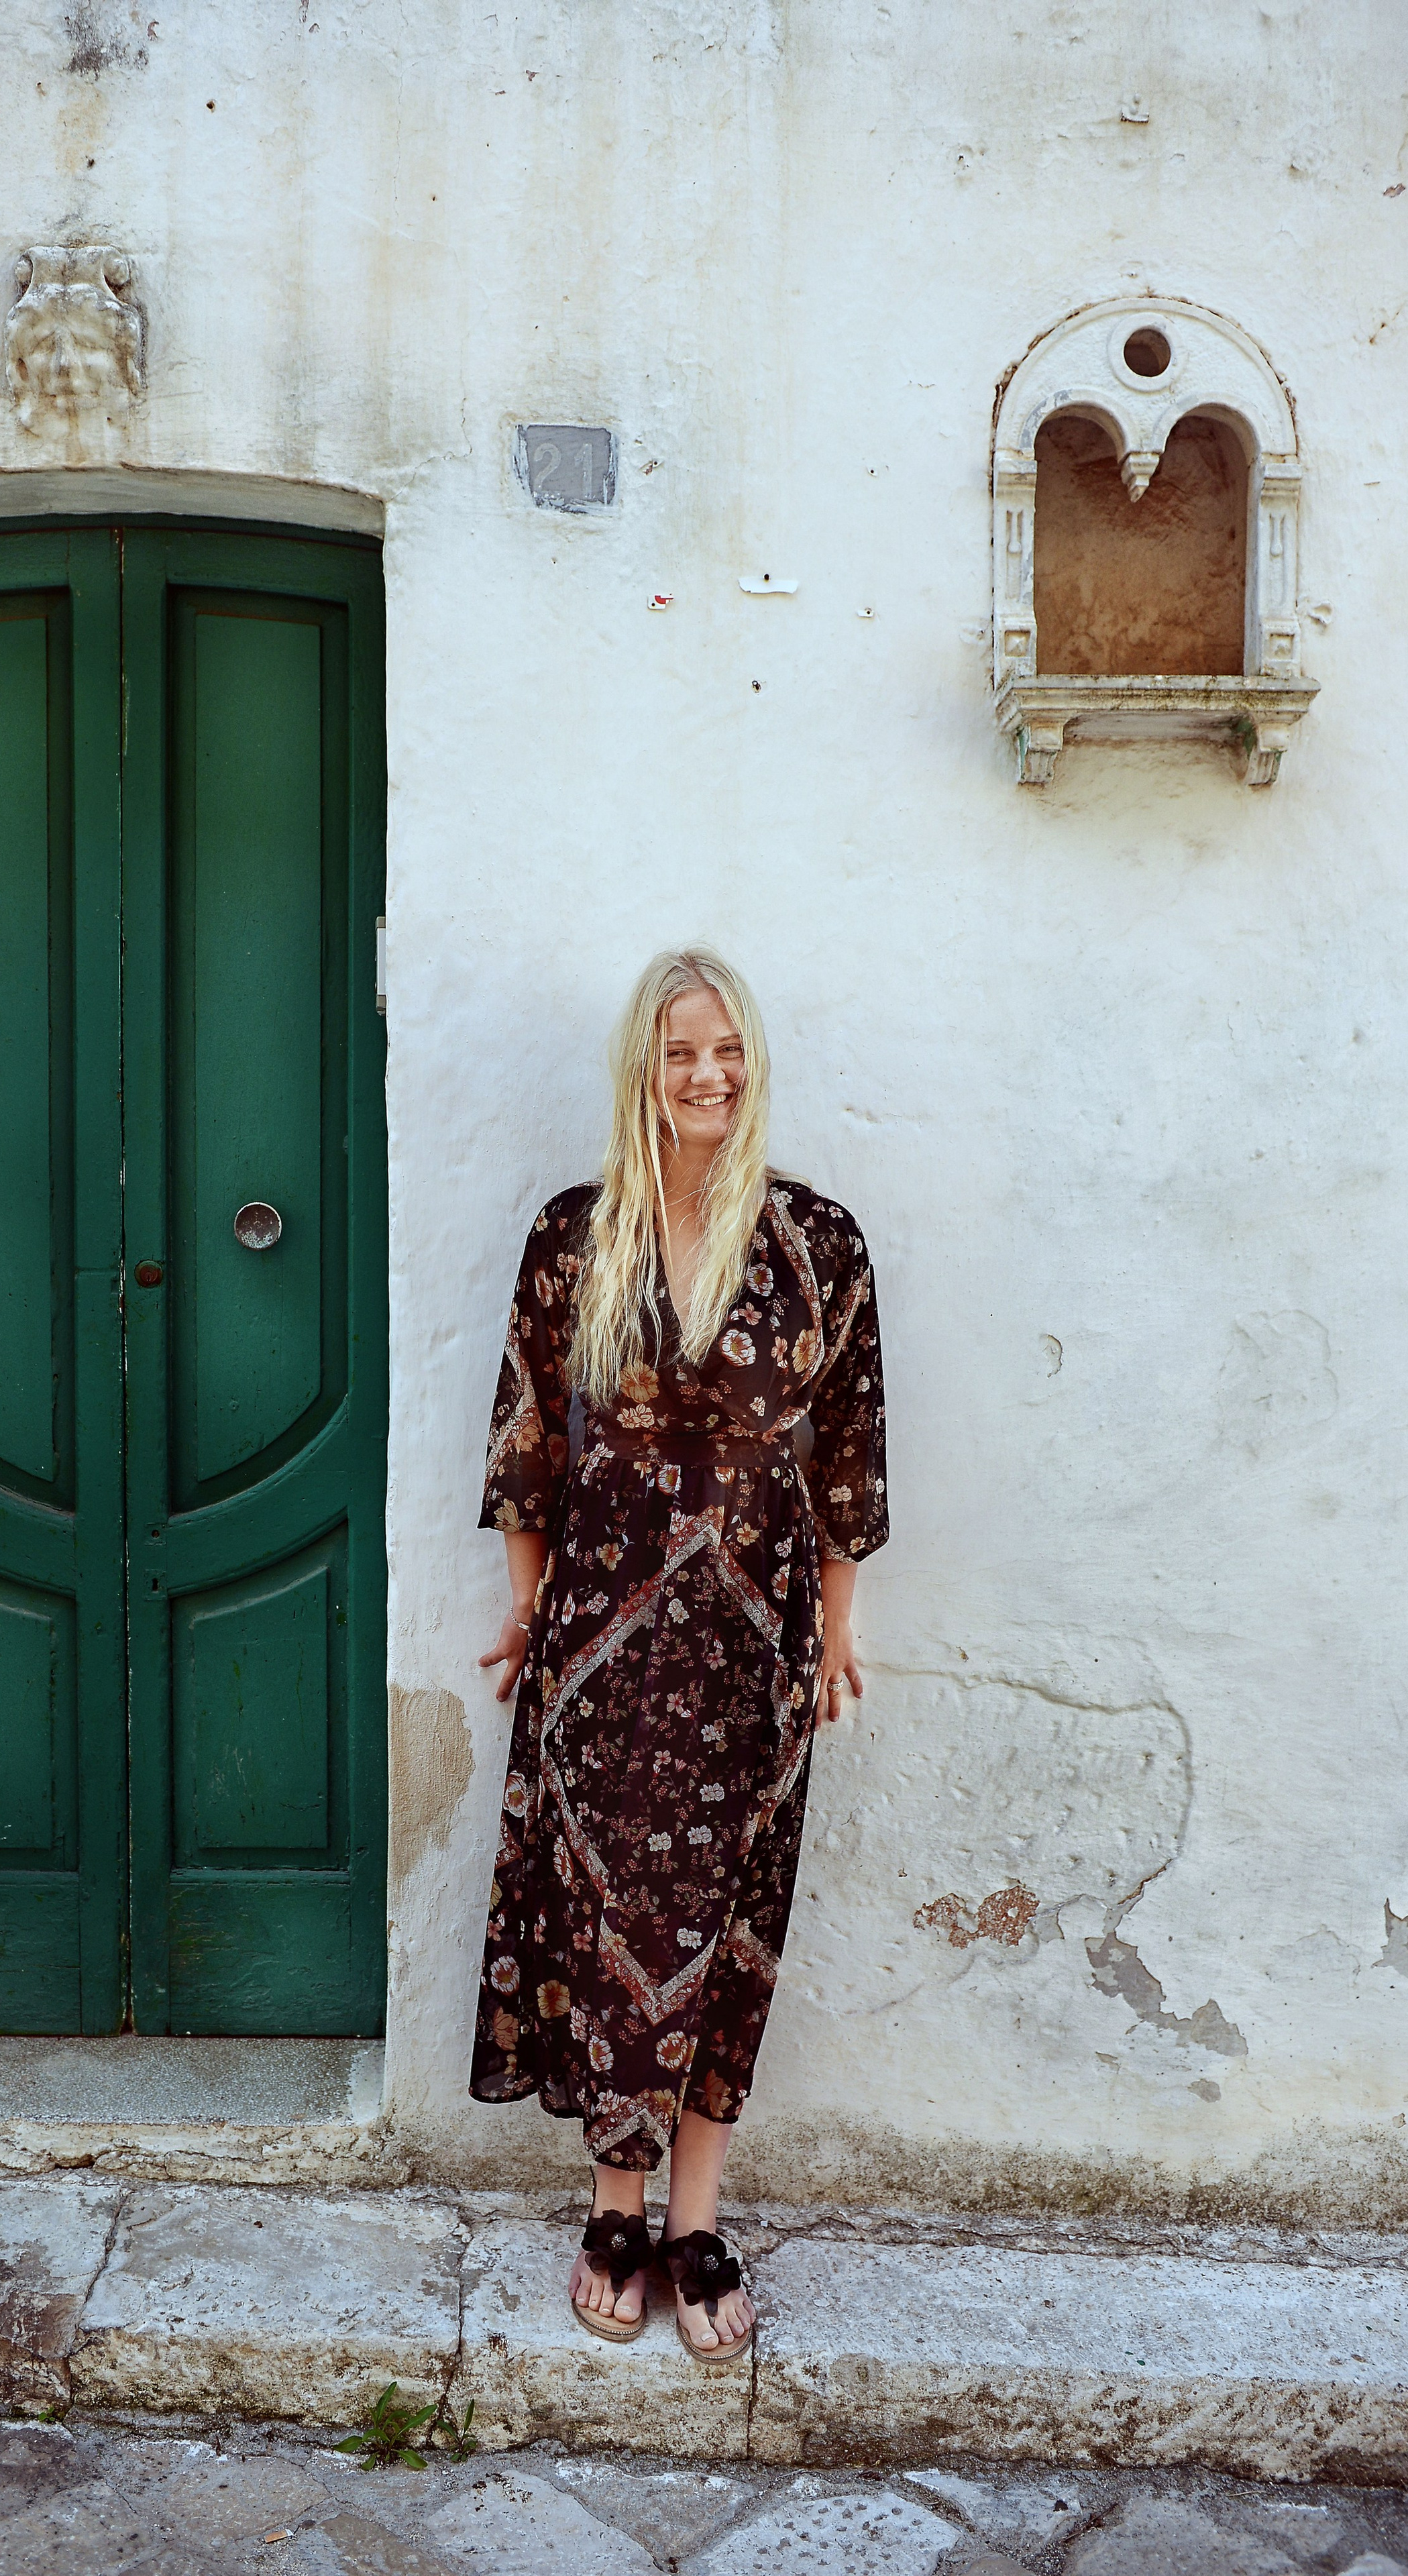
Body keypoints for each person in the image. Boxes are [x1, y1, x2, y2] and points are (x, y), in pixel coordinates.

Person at [470, 947, 888, 2363]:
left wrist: (833, 1629)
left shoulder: (816, 1244)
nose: (706, 1076)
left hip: (750, 1654)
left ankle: (696, 2219)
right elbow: (526, 1437)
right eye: (677, 1055)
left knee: (728, 1933)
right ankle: (614, 2208)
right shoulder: (573, 1236)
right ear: (639, 1074)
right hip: (598, 1651)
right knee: (606, 1929)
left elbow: (847, 1458)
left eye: (726, 1053)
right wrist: (528, 1609)